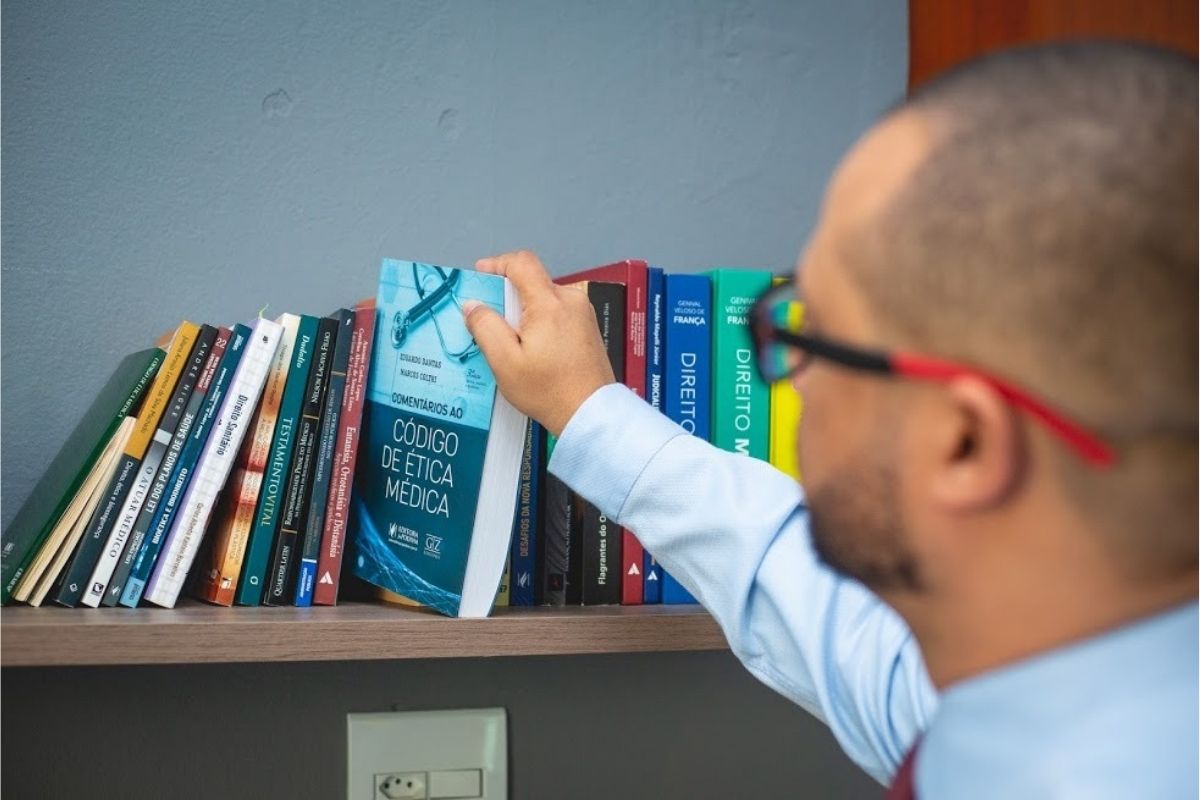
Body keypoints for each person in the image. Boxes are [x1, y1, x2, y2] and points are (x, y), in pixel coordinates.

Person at [461, 41, 1198, 797]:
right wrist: (588, 411)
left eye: (810, 333)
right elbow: (807, 600)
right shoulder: (989, 699)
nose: (794, 378)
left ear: (965, 443)